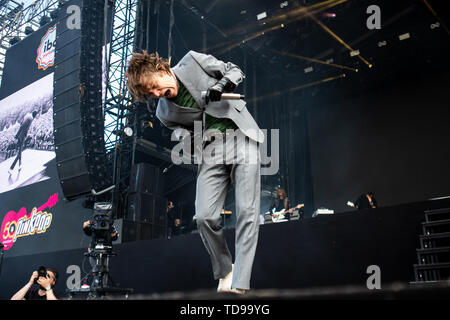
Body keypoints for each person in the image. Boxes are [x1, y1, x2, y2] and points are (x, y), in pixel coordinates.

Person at [126, 50, 264, 294]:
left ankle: (240, 285)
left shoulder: (193, 61)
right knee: (204, 216)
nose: (157, 94)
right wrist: (188, 139)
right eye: (151, 94)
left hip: (241, 136)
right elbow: (184, 138)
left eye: (155, 87)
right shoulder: (163, 113)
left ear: (162, 70)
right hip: (211, 151)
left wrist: (222, 84)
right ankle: (225, 269)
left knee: (247, 212)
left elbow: (235, 70)